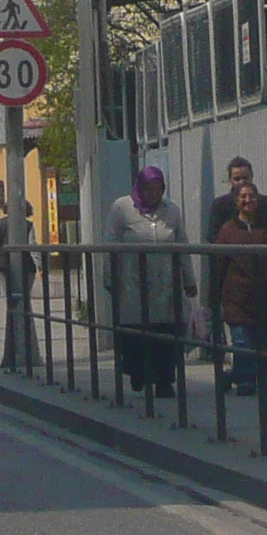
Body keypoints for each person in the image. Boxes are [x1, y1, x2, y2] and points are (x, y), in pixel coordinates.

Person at [103, 165, 186, 394]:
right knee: (136, 333)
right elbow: (109, 244)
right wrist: (109, 277)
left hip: (164, 282)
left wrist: (188, 279)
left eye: (158, 188)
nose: (153, 193)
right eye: (149, 188)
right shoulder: (122, 208)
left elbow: (183, 245)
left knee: (165, 333)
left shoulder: (172, 211)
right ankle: (138, 372)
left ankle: (164, 381)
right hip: (132, 282)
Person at [214, 181, 267, 397]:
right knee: (243, 343)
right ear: (236, 201)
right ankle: (246, 383)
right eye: (243, 197)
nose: (248, 201)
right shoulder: (227, 230)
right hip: (238, 298)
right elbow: (219, 264)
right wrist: (215, 294)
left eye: (252, 196)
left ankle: (262, 376)